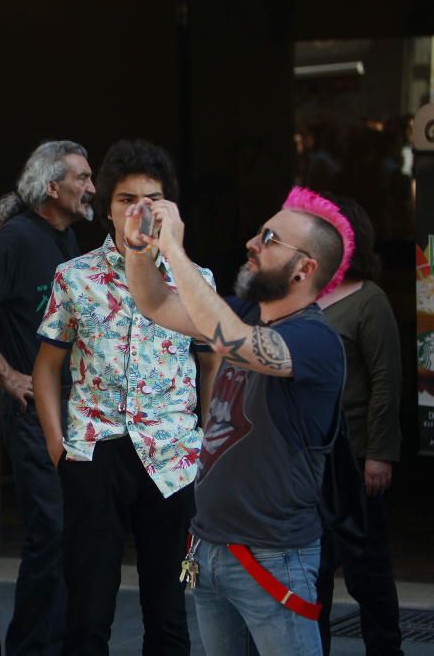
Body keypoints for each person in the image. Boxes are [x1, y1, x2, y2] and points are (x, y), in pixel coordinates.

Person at [122, 185, 351, 655]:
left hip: (273, 557)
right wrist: (140, 248)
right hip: (211, 548)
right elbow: (156, 303)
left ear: (304, 269)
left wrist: (174, 249)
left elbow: (230, 341)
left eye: (269, 238)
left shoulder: (316, 340)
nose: (251, 243)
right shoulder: (247, 314)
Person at [33, 139, 215, 656]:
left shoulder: (195, 281)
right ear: (108, 208)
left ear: (168, 208)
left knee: (168, 610)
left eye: (151, 199)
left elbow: (212, 365)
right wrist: (57, 446)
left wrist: (205, 442)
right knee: (88, 610)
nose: (139, 209)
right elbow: (46, 368)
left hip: (173, 455)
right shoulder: (75, 277)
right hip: (96, 451)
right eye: (126, 199)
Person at [0, 139, 90, 655]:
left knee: (73, 535)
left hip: (75, 409)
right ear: (52, 187)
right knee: (50, 534)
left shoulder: (67, 237)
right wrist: (6, 373)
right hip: (33, 412)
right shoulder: (19, 237)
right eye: (82, 177)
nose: (91, 187)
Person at [316, 197, 403, 656]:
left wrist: (379, 455)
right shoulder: (304, 296)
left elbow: (387, 382)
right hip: (313, 460)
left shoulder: (370, 300)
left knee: (367, 570)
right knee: (313, 573)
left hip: (356, 458)